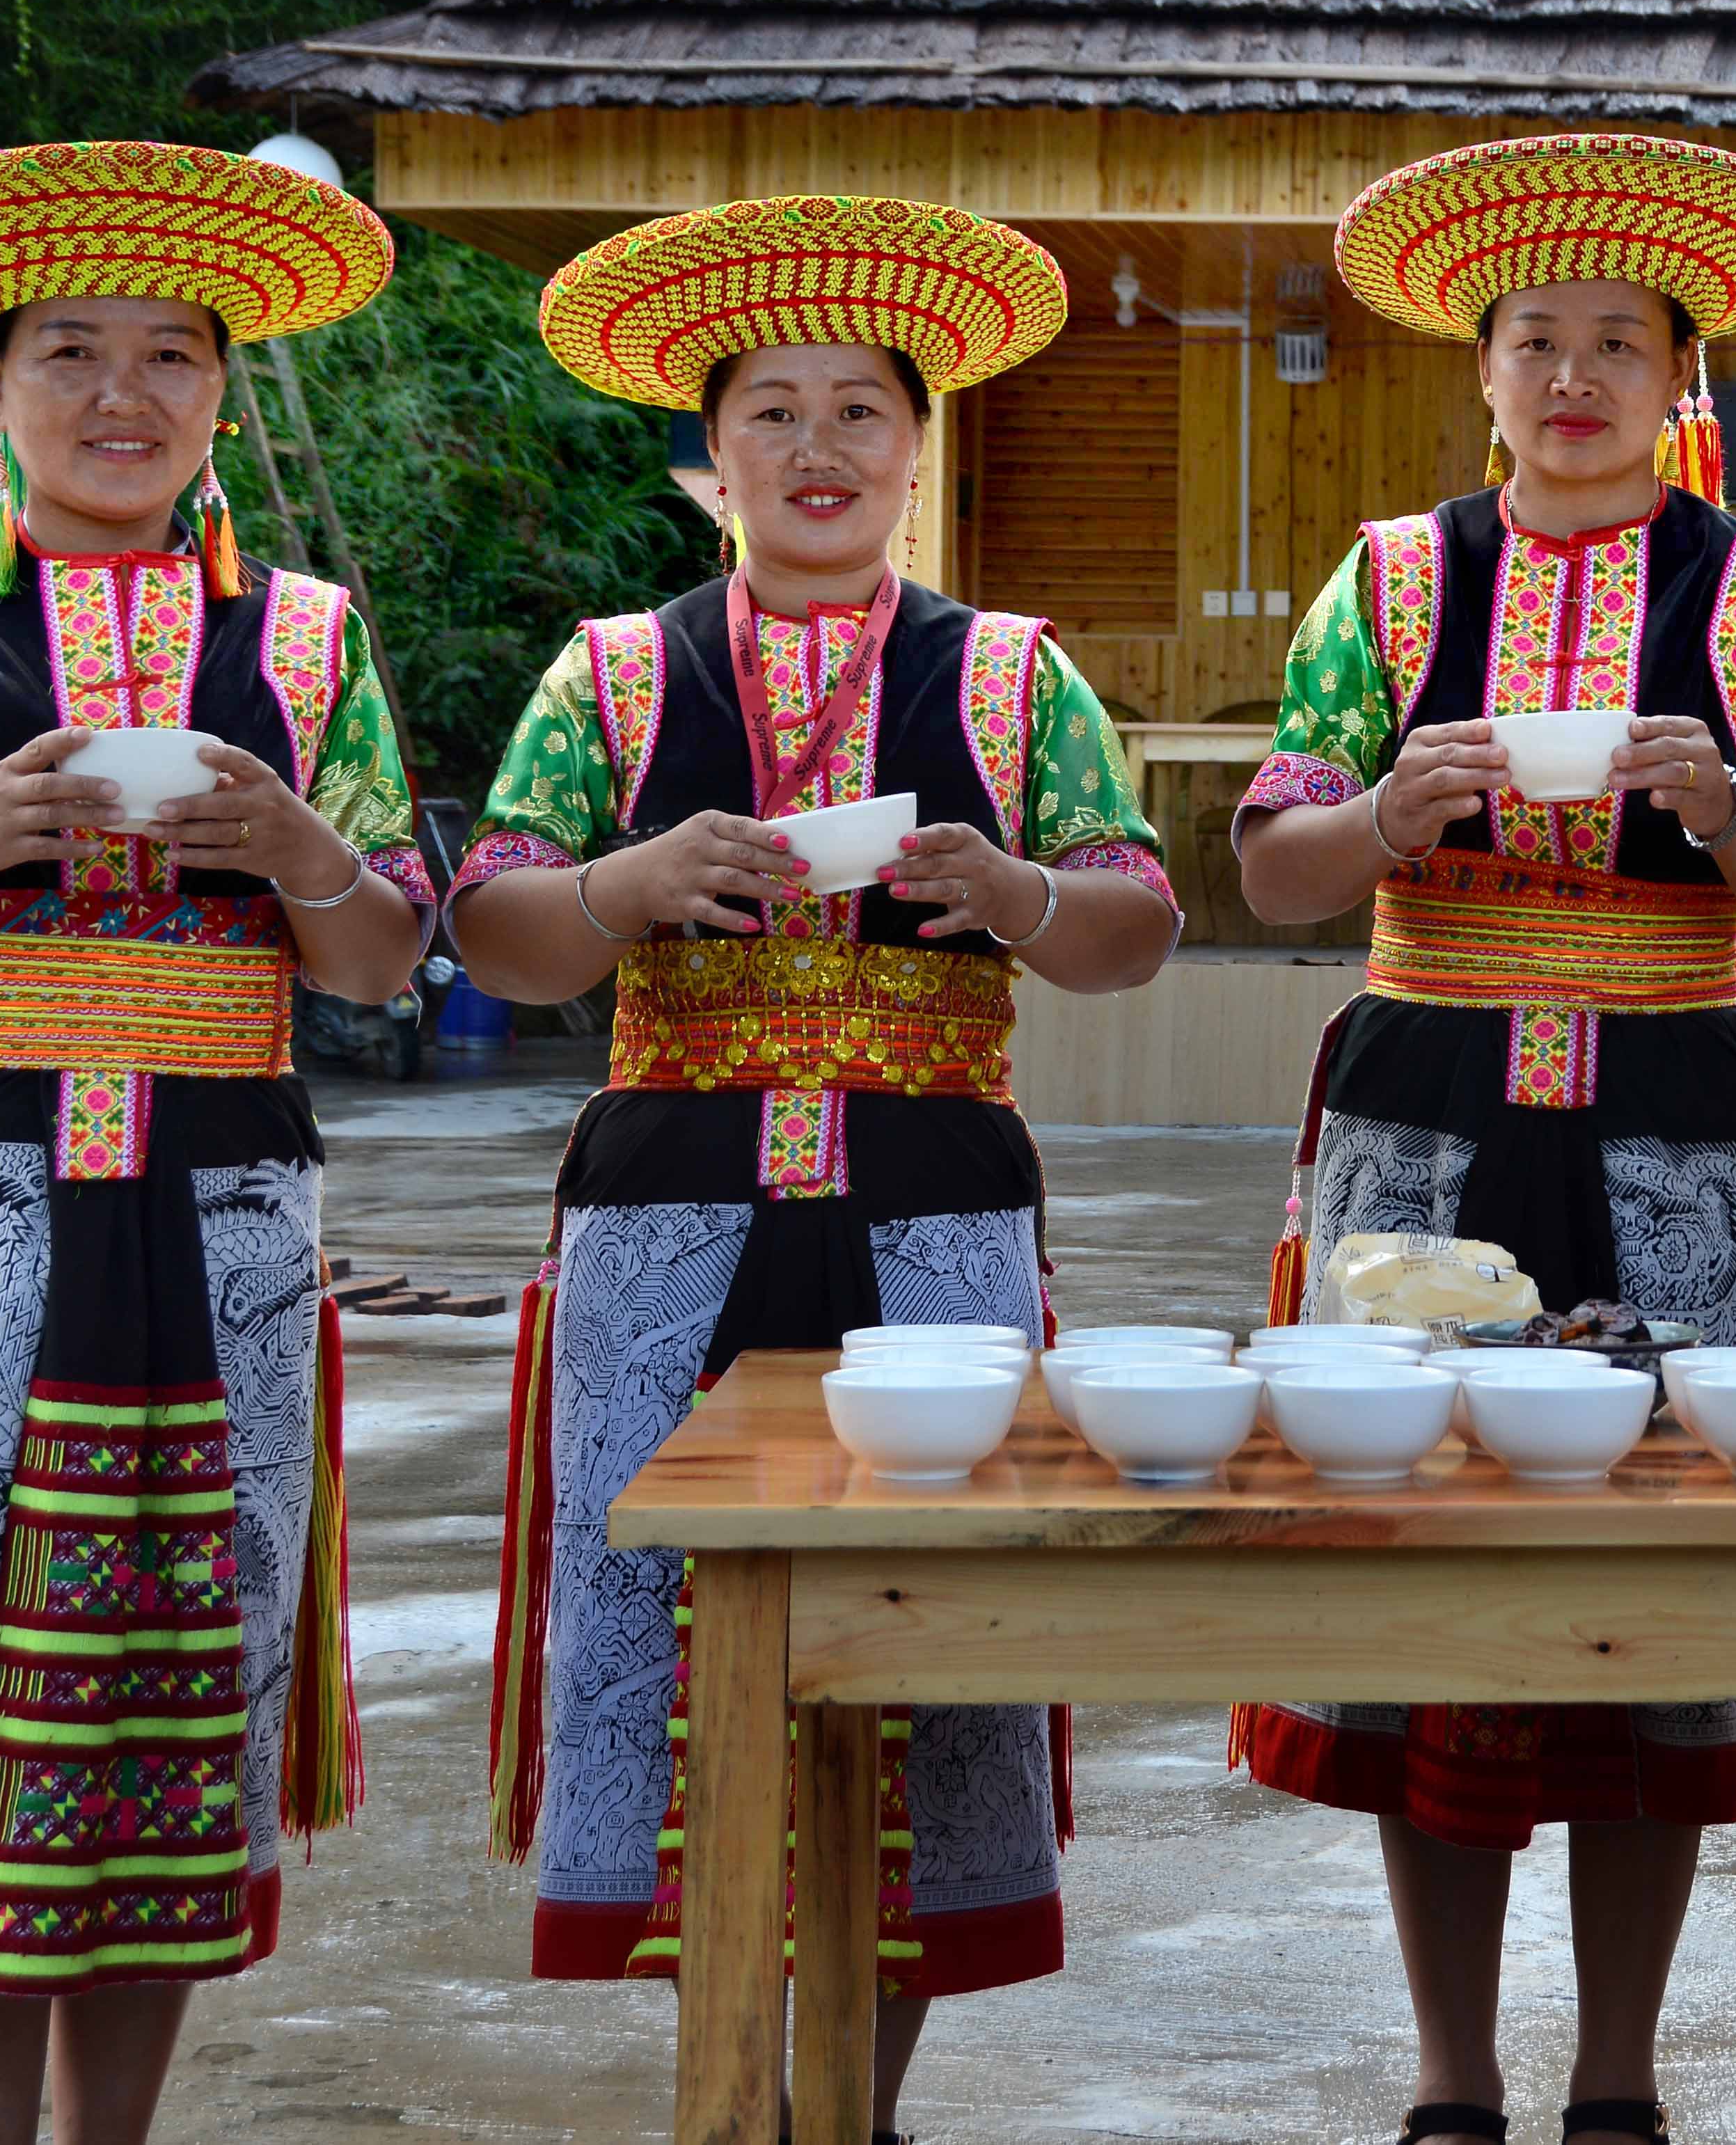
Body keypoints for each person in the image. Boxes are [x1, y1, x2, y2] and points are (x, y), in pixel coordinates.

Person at [447, 193, 1179, 2145]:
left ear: (919, 449)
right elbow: (497, 930)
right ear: (713, 455)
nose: (820, 447)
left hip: (933, 1200)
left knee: (928, 1628)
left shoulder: (1014, 676)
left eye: (862, 409)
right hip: (669, 1195)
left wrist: (1012, 890)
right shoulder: (615, 675)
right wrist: (625, 885)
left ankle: (857, 2105)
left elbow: (1133, 926)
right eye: (772, 411)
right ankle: (733, 2096)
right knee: (670, 1622)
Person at [0, 141, 429, 2145]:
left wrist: (295, 849)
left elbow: (385, 961)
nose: (123, 395)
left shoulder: (305, 639)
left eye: (171, 356)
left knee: (168, 1681)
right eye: (70, 353)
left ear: (220, 395)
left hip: (218, 1209)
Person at [1228, 133, 1736, 2145]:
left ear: (1681, 375)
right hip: (1424, 1095)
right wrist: (1385, 819)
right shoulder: (1390, 577)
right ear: (1483, 370)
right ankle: (1452, 2076)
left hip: (1673, 1095)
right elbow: (1271, 870)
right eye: (1537, 339)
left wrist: (1727, 816)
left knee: (1658, 1573)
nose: (1575, 375)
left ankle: (1621, 2075)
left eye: (1619, 341)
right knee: (1421, 1566)